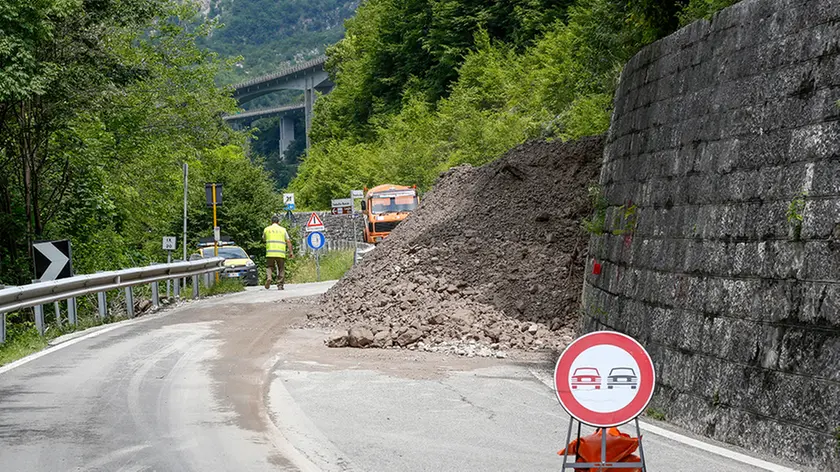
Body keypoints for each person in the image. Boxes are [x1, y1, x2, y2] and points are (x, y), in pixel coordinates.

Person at [262, 214, 294, 290]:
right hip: (280, 253)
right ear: (278, 222)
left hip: (270, 252)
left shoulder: (266, 229)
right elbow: (288, 241)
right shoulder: (283, 230)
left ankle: (269, 277)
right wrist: (291, 252)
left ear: (271, 222)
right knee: (281, 268)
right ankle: (280, 285)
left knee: (269, 267)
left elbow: (264, 239)